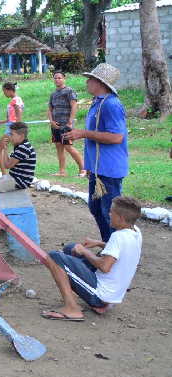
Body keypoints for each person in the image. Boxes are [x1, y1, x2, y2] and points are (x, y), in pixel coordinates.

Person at [41, 196, 142, 321]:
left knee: (54, 257)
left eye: (112, 212)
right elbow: (123, 251)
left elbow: (105, 267)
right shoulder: (136, 232)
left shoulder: (118, 236)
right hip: (112, 293)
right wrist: (99, 243)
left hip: (100, 295)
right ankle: (102, 304)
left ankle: (72, 309)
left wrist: (85, 251)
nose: (109, 214)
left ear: (121, 218)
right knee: (70, 249)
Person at [63, 63, 128, 243]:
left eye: (90, 79)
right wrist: (90, 166)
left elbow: (116, 137)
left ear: (100, 83)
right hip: (98, 170)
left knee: (110, 214)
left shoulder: (111, 105)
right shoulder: (98, 103)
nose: (87, 82)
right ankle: (108, 246)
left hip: (109, 170)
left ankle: (114, 254)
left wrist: (83, 133)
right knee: (96, 209)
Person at [0, 122, 36, 205]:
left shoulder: (23, 148)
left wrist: (4, 149)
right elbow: (7, 163)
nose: (10, 137)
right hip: (14, 178)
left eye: (12, 134)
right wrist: (4, 149)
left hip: (20, 181)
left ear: (21, 136)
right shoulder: (20, 146)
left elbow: (7, 165)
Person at [48, 72, 86, 177]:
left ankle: (83, 169)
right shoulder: (53, 94)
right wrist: (51, 121)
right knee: (59, 148)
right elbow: (50, 109)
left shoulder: (69, 91)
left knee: (68, 147)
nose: (57, 80)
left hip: (66, 125)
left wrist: (70, 121)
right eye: (55, 78)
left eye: (59, 78)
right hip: (55, 125)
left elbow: (74, 106)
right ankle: (62, 171)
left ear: (64, 78)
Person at [0, 82, 24, 174]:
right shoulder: (15, 100)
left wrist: (17, 127)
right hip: (11, 128)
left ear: (9, 90)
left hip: (12, 129)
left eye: (4, 91)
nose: (4, 94)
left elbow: (18, 112)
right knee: (2, 149)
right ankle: (6, 172)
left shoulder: (15, 100)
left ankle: (4, 173)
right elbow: (9, 118)